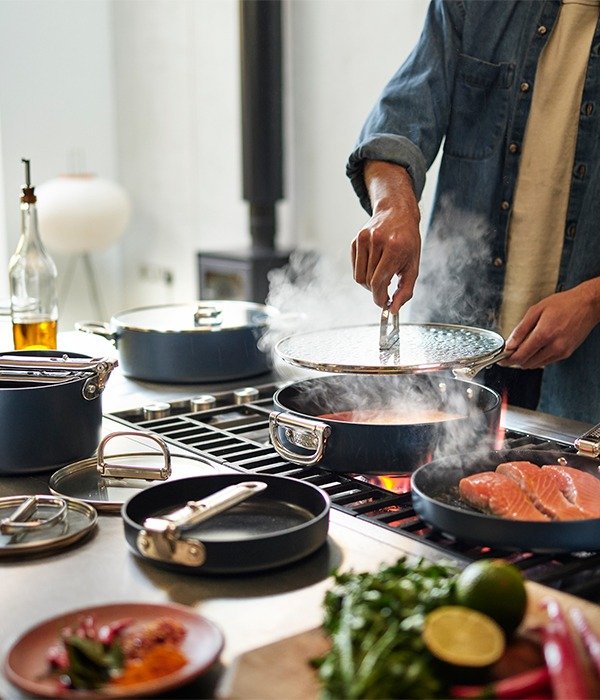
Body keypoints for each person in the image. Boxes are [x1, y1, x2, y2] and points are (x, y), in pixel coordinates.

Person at [347, 0, 600, 423]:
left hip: (586, 381)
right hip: (458, 359)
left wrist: (592, 301)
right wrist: (394, 207)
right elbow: (398, 120)